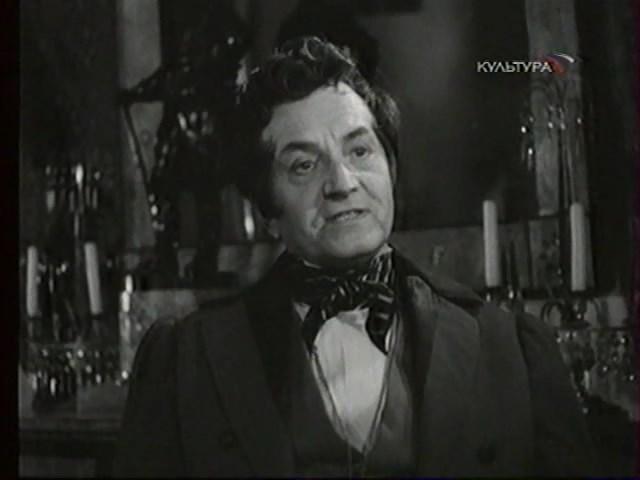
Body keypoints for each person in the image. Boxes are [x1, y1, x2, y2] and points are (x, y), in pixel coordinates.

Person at [113, 36, 596, 477]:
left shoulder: (511, 349)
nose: (342, 183)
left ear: (391, 171)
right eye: (304, 165)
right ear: (267, 209)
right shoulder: (184, 361)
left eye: (360, 151)